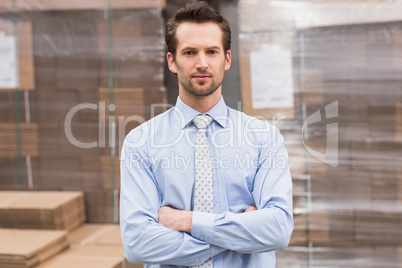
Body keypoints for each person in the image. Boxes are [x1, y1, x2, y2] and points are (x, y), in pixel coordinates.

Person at [120, 2, 293, 267]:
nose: (202, 63)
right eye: (189, 52)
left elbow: (278, 230)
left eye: (211, 51)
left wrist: (184, 221)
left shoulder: (264, 139)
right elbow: (137, 244)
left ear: (226, 59)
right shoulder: (140, 143)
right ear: (172, 61)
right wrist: (242, 235)